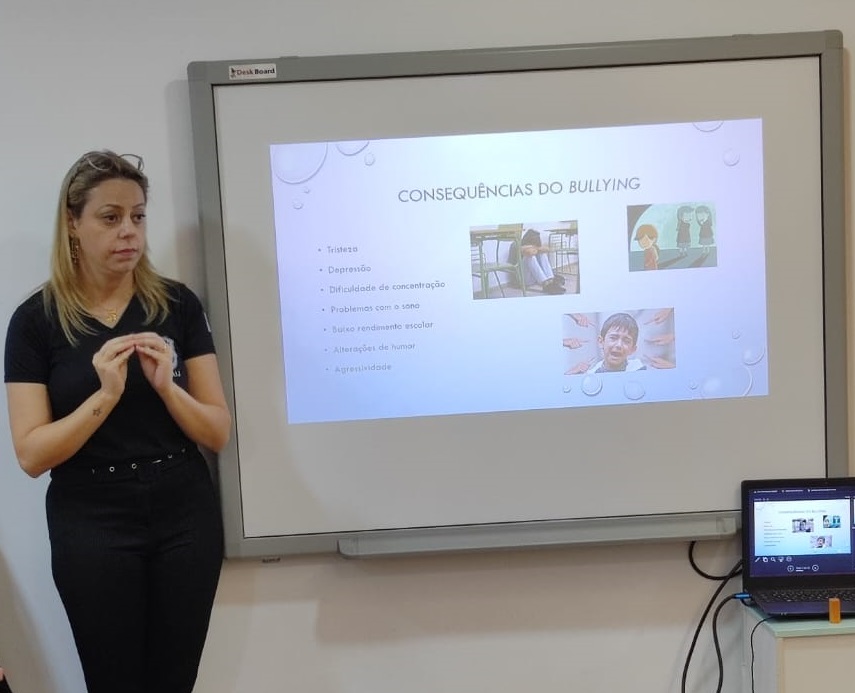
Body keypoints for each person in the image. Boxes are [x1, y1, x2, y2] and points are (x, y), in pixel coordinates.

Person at [4, 150, 231, 693]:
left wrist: (165, 388)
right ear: (72, 224)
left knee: (174, 681)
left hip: (183, 509)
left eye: (139, 215)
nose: (129, 231)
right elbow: (32, 455)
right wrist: (104, 396)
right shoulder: (35, 321)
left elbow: (217, 430)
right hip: (92, 516)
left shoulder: (176, 303)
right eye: (110, 217)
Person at [516, 228, 565, 294]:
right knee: (530, 257)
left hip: (533, 279)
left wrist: (536, 248)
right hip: (523, 280)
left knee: (542, 254)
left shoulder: (533, 246)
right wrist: (536, 248)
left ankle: (550, 280)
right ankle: (545, 283)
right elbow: (530, 252)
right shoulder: (519, 245)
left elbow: (548, 249)